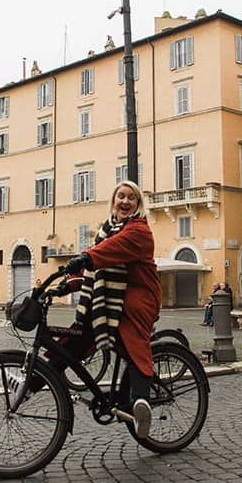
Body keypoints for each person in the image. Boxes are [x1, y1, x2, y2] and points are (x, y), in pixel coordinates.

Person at [65, 180, 160, 439]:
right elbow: (97, 268)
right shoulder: (108, 229)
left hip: (139, 297)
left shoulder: (138, 230)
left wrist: (86, 257)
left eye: (131, 198)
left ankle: (142, 402)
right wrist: (66, 284)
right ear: (114, 200)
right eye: (121, 196)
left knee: (134, 344)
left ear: (139, 204)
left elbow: (109, 251)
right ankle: (37, 382)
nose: (125, 202)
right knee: (77, 336)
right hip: (116, 296)